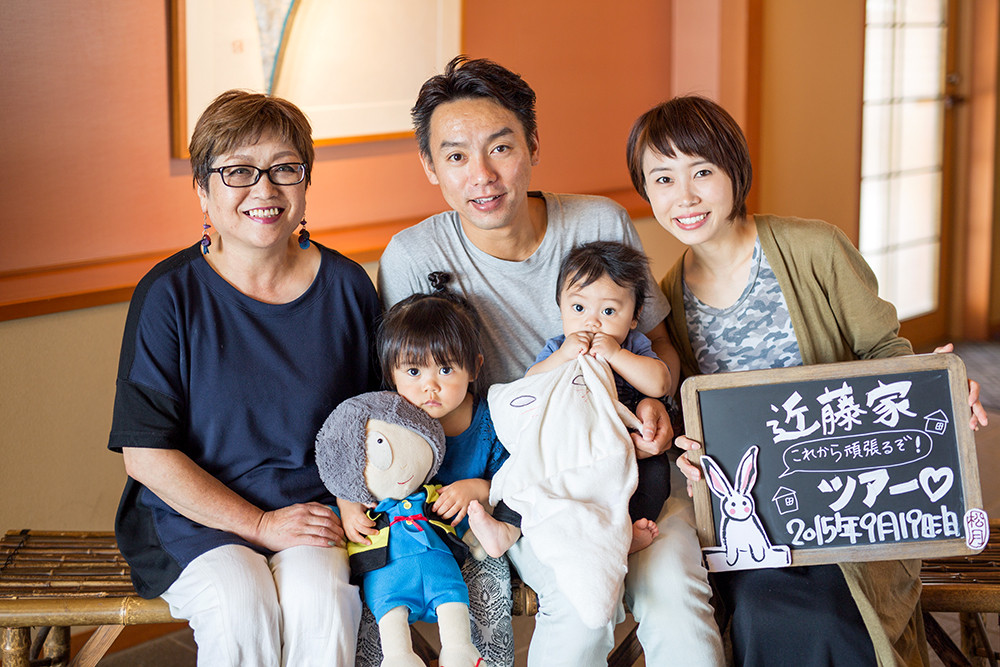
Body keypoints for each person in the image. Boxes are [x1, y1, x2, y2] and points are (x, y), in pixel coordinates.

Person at [379, 55, 725, 666]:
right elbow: (408, 400)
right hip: (524, 485)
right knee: (582, 605)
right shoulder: (413, 256)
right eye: (456, 156)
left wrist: (655, 403)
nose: (482, 175)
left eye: (501, 148)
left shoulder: (598, 222)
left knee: (678, 596)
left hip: (626, 462)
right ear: (431, 167)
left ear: (533, 145)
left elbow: (660, 343)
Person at [626, 95, 989, 666]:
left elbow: (884, 351)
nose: (685, 196)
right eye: (663, 179)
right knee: (763, 611)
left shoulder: (814, 248)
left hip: (855, 502)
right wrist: (690, 453)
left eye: (702, 171)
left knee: (831, 614)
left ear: (735, 171)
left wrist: (938, 390)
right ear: (646, 191)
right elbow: (698, 419)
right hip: (759, 520)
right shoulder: (669, 299)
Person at [108, 90, 380, 666]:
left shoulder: (348, 287)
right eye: (238, 171)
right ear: (202, 190)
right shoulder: (168, 295)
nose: (265, 189)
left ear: (305, 182)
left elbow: (369, 423)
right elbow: (146, 456)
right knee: (240, 605)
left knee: (322, 604)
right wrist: (258, 523)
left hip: (310, 511)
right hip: (193, 518)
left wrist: (339, 506)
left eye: (284, 168)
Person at [343, 277, 515, 667]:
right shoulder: (385, 419)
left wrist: (478, 487)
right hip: (395, 546)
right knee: (370, 603)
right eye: (413, 371)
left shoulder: (491, 422)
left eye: (446, 369)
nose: (430, 386)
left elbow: (516, 481)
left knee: (491, 585)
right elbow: (349, 468)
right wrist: (349, 506)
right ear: (391, 372)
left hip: (466, 543)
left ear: (474, 367)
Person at [468, 241, 669, 557]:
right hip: (569, 443)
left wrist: (616, 355)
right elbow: (531, 384)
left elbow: (659, 383)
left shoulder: (633, 345)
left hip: (624, 446)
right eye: (578, 308)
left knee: (656, 477)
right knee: (528, 470)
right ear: (560, 307)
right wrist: (562, 356)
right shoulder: (558, 347)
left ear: (634, 316)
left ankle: (623, 531)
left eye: (608, 311)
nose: (592, 321)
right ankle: (507, 527)